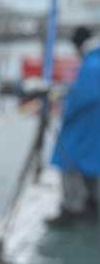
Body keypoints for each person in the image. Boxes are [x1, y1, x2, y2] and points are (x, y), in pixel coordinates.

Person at [46, 26, 100, 227]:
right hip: (94, 125)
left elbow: (84, 95)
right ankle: (91, 203)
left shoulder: (92, 64)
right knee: (93, 162)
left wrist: (65, 109)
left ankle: (72, 207)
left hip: (86, 124)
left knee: (68, 159)